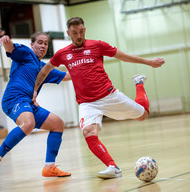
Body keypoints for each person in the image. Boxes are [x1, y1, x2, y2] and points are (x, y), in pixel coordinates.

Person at [32, 17, 165, 179]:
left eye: (81, 31)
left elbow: (123, 56)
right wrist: (35, 91)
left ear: (85, 30)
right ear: (68, 33)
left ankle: (139, 83)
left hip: (109, 96)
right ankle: (112, 167)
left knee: (143, 115)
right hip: (87, 103)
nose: (79, 35)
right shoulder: (62, 54)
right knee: (88, 131)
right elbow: (44, 71)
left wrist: (149, 62)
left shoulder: (97, 45)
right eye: (75, 33)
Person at [0, 32, 72, 179]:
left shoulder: (45, 69)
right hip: (13, 98)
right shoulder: (26, 53)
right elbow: (10, 48)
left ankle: (49, 167)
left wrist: (84, 67)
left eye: (46, 43)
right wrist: (6, 41)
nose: (43, 46)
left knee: (57, 124)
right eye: (40, 42)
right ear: (32, 44)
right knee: (28, 123)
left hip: (28, 103)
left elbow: (66, 76)